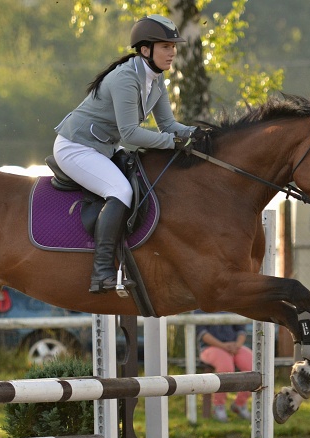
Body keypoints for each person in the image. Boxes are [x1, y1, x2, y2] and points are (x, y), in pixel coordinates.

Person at [53, 14, 196, 293]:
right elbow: (130, 134)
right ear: (146, 50)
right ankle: (102, 272)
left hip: (103, 146)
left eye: (173, 46)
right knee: (121, 191)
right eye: (166, 46)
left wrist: (196, 134)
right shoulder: (126, 79)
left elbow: (169, 125)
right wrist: (173, 142)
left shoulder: (155, 80)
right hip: (75, 146)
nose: (173, 52)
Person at [195, 312, 254, 422]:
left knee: (254, 364)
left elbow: (241, 330)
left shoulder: (231, 302)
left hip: (234, 346)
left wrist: (237, 345)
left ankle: (240, 404)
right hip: (210, 347)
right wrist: (222, 346)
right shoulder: (201, 306)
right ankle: (219, 406)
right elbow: (202, 333)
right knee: (226, 367)